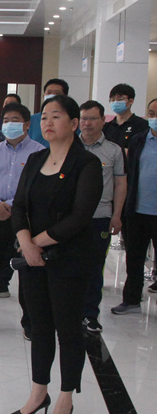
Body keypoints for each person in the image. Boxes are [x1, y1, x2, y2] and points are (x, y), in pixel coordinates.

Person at [9, 94, 102, 414]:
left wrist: (36, 242)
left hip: (70, 261)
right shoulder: (36, 158)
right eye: (44, 116)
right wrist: (25, 243)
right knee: (40, 326)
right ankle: (39, 392)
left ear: (74, 123)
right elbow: (19, 205)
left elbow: (80, 217)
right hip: (33, 259)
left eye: (57, 116)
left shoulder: (86, 164)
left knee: (68, 328)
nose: (48, 122)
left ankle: (65, 397)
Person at [0, 103, 43, 335]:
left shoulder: (39, 152)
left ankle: (29, 322)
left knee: (26, 269)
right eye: (6, 121)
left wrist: (10, 206)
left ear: (26, 124)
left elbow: (35, 187)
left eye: (15, 120)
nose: (9, 124)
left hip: (25, 218)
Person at [77, 101, 125, 332]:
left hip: (100, 217)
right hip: (69, 218)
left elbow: (120, 184)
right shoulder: (68, 146)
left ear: (103, 120)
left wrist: (117, 215)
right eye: (83, 118)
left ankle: (90, 314)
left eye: (92, 118)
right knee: (68, 266)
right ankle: (68, 312)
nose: (87, 123)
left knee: (95, 267)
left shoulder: (113, 151)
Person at [111, 98, 157, 315]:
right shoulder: (139, 140)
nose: (154, 118)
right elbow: (128, 174)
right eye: (152, 113)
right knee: (135, 258)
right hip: (137, 210)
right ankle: (131, 300)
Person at [103, 83, 149, 149]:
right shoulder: (106, 127)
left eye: (120, 99)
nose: (115, 102)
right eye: (112, 100)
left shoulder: (142, 125)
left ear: (131, 101)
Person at [28, 79, 69, 147]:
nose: (52, 95)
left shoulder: (69, 119)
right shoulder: (32, 120)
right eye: (49, 92)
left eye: (57, 93)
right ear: (43, 96)